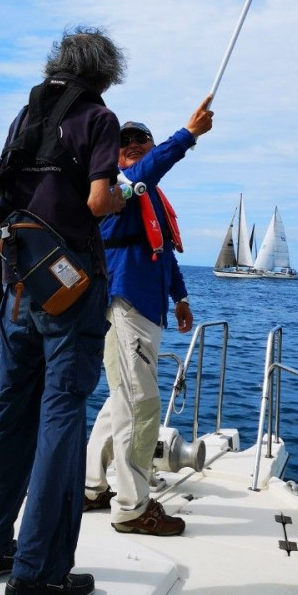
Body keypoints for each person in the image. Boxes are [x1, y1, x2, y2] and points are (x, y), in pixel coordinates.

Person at [0, 26, 128, 595]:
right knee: (62, 415)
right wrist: (122, 194)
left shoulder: (23, 116)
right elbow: (97, 202)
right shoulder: (98, 119)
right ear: (104, 73)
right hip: (71, 289)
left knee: (6, 411)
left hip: (16, 285)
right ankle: (38, 571)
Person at [84, 97, 214, 535]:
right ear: (112, 155)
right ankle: (133, 506)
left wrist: (180, 297)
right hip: (126, 303)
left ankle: (91, 486)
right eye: (125, 142)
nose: (134, 145)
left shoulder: (150, 199)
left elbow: (162, 253)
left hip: (147, 306)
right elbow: (146, 171)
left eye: (142, 139)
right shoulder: (119, 187)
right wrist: (188, 135)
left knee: (121, 400)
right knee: (142, 406)